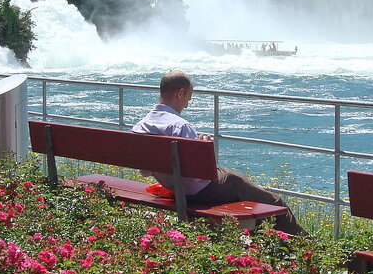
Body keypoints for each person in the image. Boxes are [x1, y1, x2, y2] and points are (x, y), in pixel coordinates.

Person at [132, 71, 308, 236]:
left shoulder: (141, 126)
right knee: (274, 202)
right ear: (180, 93)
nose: (186, 104)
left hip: (175, 186)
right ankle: (306, 244)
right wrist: (206, 146)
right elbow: (199, 174)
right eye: (188, 99)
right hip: (199, 191)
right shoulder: (180, 126)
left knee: (242, 182)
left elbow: (144, 172)